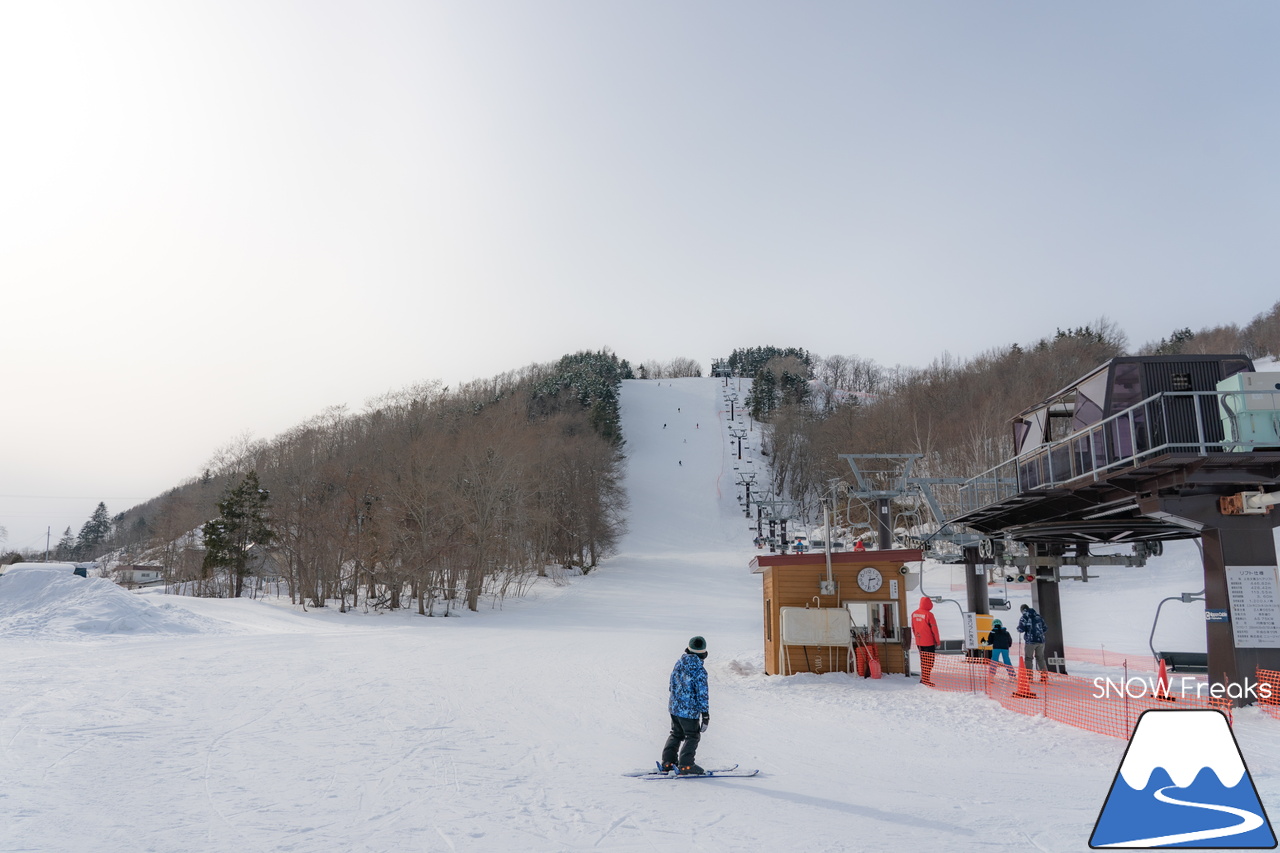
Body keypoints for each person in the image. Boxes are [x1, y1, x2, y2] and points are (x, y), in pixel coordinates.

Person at [661, 636, 710, 775]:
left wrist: (676, 700)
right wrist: (705, 714)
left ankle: (668, 762)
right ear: (703, 653)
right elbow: (702, 694)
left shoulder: (679, 663)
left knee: (676, 734)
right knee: (692, 736)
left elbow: (671, 684)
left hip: (674, 707)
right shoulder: (699, 670)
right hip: (689, 712)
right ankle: (686, 765)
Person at [911, 598, 940, 686]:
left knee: (923, 661)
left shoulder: (914, 614)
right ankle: (926, 679)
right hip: (929, 642)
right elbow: (934, 629)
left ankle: (923, 678)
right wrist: (937, 641)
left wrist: (916, 637)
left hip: (919, 642)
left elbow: (913, 628)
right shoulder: (929, 615)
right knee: (929, 662)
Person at [1017, 603, 1048, 679]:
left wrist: (1019, 629)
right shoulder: (1039, 617)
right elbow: (1045, 628)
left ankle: (1029, 676)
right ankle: (1044, 676)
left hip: (1030, 641)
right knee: (1040, 658)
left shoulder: (1024, 617)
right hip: (1041, 641)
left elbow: (1021, 629)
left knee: (1028, 658)